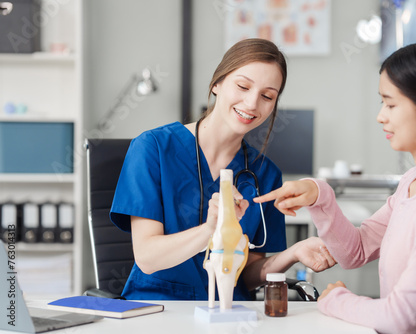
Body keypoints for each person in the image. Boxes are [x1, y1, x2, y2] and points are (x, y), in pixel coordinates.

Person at [255, 39, 416, 333]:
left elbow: (399, 316)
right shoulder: (414, 183)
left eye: (391, 104)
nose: (381, 115)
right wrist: (320, 196)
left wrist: (337, 299)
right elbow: (355, 251)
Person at [110, 38, 335, 301]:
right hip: (158, 305)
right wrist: (210, 229)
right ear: (217, 83)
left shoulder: (265, 174)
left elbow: (248, 275)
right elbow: (148, 258)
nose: (252, 103)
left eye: (267, 96)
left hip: (229, 311)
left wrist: (293, 253)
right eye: (242, 86)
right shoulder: (153, 148)